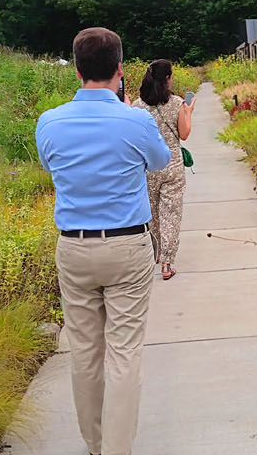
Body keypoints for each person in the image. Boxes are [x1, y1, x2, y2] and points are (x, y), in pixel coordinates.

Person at [34, 28, 172, 455]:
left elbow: (49, 164)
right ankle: (117, 449)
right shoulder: (135, 119)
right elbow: (161, 161)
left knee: (85, 352)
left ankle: (94, 445)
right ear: (119, 70)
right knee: (125, 351)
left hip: (73, 247)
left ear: (77, 71)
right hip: (127, 245)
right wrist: (128, 113)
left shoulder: (49, 121)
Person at [129, 59, 192, 281]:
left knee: (152, 214)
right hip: (172, 165)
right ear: (167, 78)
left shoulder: (137, 106)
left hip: (147, 167)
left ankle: (156, 252)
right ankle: (167, 262)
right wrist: (189, 111)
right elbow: (184, 134)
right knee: (171, 214)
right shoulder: (177, 102)